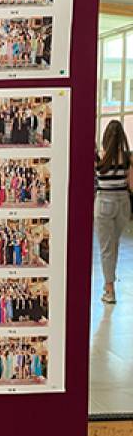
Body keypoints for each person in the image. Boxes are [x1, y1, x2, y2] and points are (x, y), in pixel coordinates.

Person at [95, 120, 133, 303]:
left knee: (106, 249)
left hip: (104, 203)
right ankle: (109, 283)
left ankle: (109, 289)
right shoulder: (127, 158)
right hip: (123, 204)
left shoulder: (99, 159)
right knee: (114, 245)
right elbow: (131, 185)